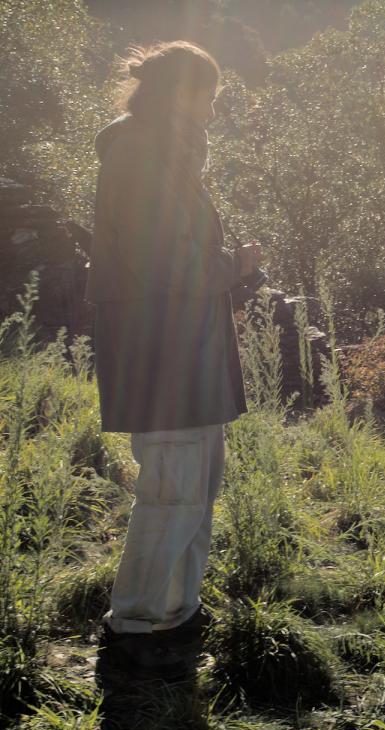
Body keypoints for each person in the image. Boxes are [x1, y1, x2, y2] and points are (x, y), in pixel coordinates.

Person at [88, 41, 265, 675]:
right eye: (207, 98)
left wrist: (229, 275)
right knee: (172, 493)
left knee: (195, 490)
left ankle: (176, 617)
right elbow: (168, 261)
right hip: (165, 362)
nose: (212, 113)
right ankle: (134, 626)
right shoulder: (139, 155)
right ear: (178, 95)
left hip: (187, 358)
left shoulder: (162, 154)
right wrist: (230, 266)